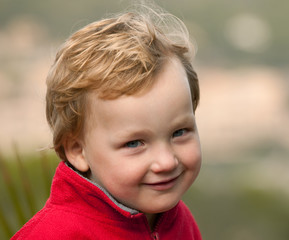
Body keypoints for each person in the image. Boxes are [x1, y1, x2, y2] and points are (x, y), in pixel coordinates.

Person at [12, 3, 202, 240]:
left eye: (179, 132)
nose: (166, 162)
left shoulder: (177, 220)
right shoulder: (53, 235)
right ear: (77, 150)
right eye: (134, 143)